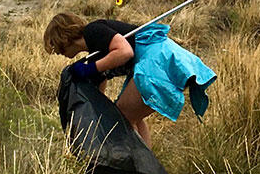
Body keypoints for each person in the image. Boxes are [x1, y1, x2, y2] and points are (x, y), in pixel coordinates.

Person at [43, 11, 216, 146]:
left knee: (124, 115)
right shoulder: (95, 52)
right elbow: (101, 83)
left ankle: (139, 170)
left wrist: (90, 69)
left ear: (63, 37)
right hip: (163, 60)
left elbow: (124, 52)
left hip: (158, 62)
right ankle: (149, 170)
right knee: (131, 116)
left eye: (56, 46)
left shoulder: (93, 31)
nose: (58, 52)